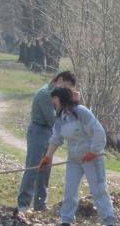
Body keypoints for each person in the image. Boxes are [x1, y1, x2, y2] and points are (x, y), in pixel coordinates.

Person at [38, 87, 117, 226]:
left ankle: (110, 223)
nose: (53, 104)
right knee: (70, 189)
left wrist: (93, 152)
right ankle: (66, 222)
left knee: (98, 189)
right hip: (74, 159)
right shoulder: (60, 118)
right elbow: (56, 138)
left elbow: (98, 132)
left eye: (55, 101)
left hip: (92, 157)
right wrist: (48, 157)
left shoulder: (81, 112)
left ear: (61, 99)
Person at [17, 71, 77, 216]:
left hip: (48, 132)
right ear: (60, 80)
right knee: (33, 167)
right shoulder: (45, 94)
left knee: (45, 168)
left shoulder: (57, 95)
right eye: (67, 86)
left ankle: (40, 203)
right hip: (38, 131)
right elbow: (53, 120)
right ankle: (23, 204)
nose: (67, 91)